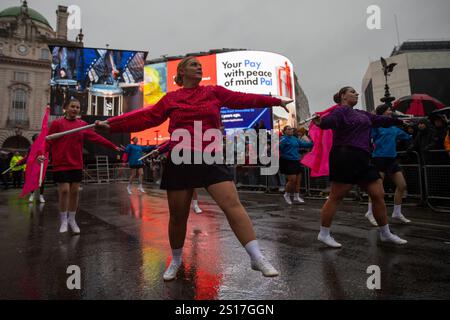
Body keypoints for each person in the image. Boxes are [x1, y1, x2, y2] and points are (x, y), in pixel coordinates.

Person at [95, 56, 292, 280]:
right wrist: (112, 125)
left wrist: (275, 101)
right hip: (180, 158)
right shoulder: (171, 98)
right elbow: (146, 118)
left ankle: (257, 257)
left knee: (232, 205)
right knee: (178, 217)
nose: (199, 67)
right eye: (193, 65)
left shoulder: (213, 92)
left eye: (200, 65)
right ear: (181, 72)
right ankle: (177, 260)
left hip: (211, 156)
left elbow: (243, 99)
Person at [312, 86, 407, 248]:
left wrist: (399, 120)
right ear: (343, 96)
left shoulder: (362, 114)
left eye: (356, 92)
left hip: (364, 158)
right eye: (352, 92)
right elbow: (330, 121)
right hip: (345, 156)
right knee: (336, 196)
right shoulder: (340, 111)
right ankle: (324, 233)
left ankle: (385, 233)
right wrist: (321, 122)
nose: (356, 93)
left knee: (378, 194)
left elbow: (380, 120)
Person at [40, 97, 121, 234]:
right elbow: (48, 141)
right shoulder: (56, 124)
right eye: (72, 106)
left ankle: (72, 219)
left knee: (75, 191)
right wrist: (42, 153)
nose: (75, 109)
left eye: (77, 107)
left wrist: (112, 146)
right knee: (64, 190)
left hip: (76, 163)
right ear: (66, 108)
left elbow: (97, 138)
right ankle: (63, 220)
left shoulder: (82, 124)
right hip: (61, 162)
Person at [365, 104, 412, 226]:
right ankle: (369, 212)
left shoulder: (394, 127)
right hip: (379, 159)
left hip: (392, 159)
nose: (391, 111)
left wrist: (411, 129)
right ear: (382, 113)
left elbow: (407, 136)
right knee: (377, 190)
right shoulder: (376, 126)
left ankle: (397, 212)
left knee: (402, 185)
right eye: (388, 110)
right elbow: (368, 138)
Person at [279, 125, 313, 204]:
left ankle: (296, 196)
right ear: (285, 131)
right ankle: (286, 195)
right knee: (292, 180)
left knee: (298, 180)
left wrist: (313, 142)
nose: (291, 130)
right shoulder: (283, 139)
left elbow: (304, 144)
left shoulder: (295, 139)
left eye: (291, 129)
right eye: (289, 129)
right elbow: (277, 147)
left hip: (296, 160)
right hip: (287, 161)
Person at [16, 134, 46, 203]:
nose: (38, 139)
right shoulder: (31, 148)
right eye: (36, 138)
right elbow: (28, 157)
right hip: (33, 166)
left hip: (41, 166)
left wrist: (46, 158)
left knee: (41, 181)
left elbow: (47, 155)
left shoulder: (44, 146)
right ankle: (32, 195)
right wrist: (19, 163)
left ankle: (41, 196)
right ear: (34, 140)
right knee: (32, 181)